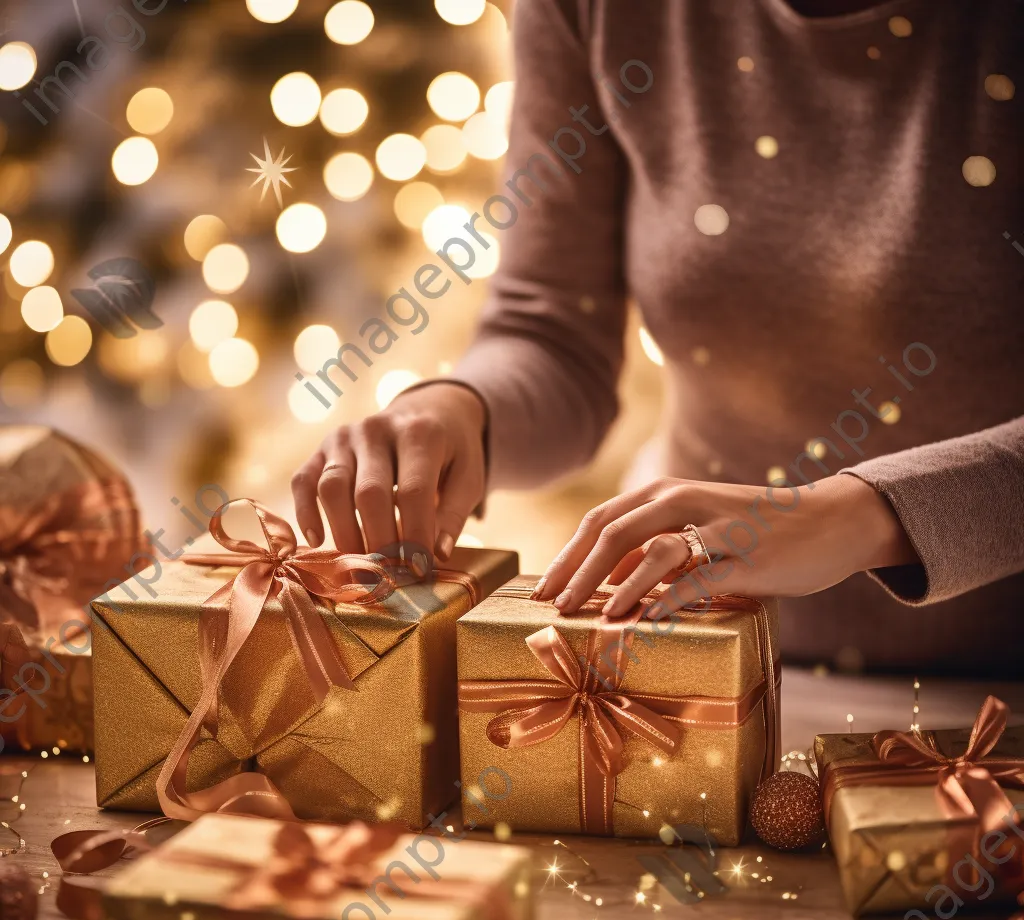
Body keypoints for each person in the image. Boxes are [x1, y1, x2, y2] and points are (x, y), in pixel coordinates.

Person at [293, 0, 1024, 677]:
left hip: (998, 690)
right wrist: (461, 409)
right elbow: (550, 331)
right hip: (684, 656)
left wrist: (856, 516)